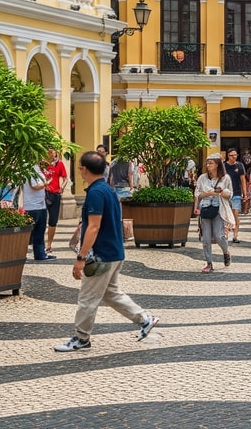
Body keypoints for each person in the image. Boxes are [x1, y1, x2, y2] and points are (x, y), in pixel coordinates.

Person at [54, 151, 158, 352]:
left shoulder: (95, 193)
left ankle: (81, 338)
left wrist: (81, 258)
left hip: (101, 255)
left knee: (87, 299)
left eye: (79, 167)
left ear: (84, 169)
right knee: (111, 293)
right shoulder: (109, 190)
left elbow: (93, 227)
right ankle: (145, 319)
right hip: (115, 251)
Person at [194, 155, 232, 272]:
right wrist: (205, 194)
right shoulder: (202, 178)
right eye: (207, 163)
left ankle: (226, 251)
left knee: (219, 235)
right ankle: (209, 263)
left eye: (210, 163)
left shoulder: (225, 178)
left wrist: (220, 192)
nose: (208, 165)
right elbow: (197, 194)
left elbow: (230, 194)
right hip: (205, 208)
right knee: (206, 238)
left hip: (219, 209)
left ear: (217, 165)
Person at [18, 161, 53, 261]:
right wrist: (46, 184)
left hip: (40, 205)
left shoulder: (37, 168)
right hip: (31, 206)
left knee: (40, 231)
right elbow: (35, 186)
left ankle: (40, 254)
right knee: (28, 233)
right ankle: (21, 255)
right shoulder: (29, 168)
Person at [41, 147, 69, 255]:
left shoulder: (59, 164)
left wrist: (62, 187)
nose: (50, 153)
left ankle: (49, 244)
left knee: (53, 221)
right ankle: (41, 243)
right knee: (42, 220)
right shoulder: (41, 164)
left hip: (55, 194)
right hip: (42, 193)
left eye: (52, 151)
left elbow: (65, 177)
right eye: (49, 151)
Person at [222, 149, 247, 244]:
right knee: (226, 214)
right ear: (228, 156)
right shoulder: (224, 166)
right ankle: (226, 234)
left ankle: (235, 235)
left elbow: (243, 180)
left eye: (235, 155)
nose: (234, 157)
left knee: (235, 213)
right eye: (232, 155)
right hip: (226, 193)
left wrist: (245, 193)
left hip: (236, 192)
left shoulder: (239, 166)